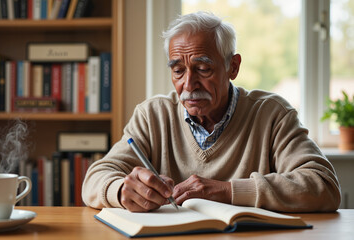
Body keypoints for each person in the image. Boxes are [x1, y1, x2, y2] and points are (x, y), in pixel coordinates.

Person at [82, 11, 341, 213]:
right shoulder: (152, 115)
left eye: (203, 69)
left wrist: (228, 191)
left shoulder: (272, 114)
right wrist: (120, 190)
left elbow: (324, 186)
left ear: (233, 66)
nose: (188, 84)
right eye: (178, 70)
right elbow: (95, 178)